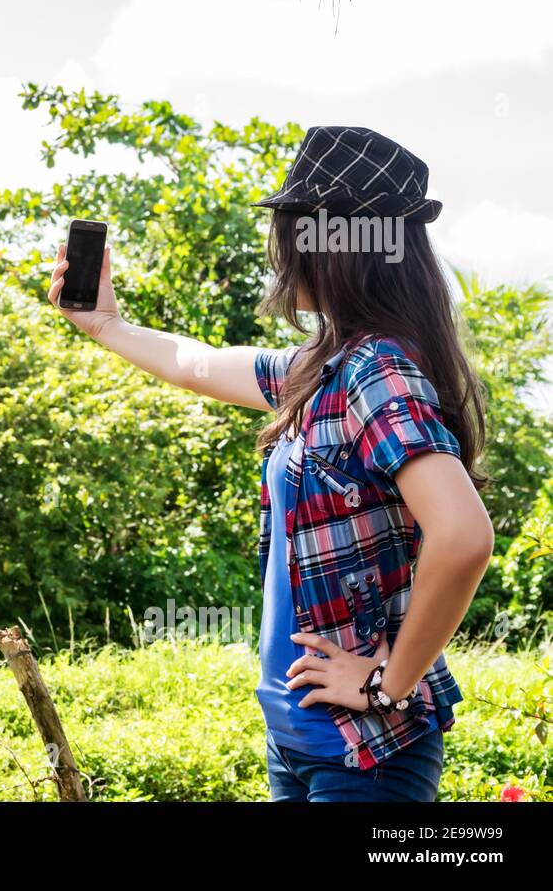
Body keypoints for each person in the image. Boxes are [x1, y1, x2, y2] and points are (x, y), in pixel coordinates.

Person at [48, 126, 493, 801]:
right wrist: (106, 325)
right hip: (297, 739)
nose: (281, 256)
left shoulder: (376, 372)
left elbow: (464, 538)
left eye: (291, 233)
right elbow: (192, 364)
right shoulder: (322, 369)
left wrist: (386, 683)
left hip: (363, 756)